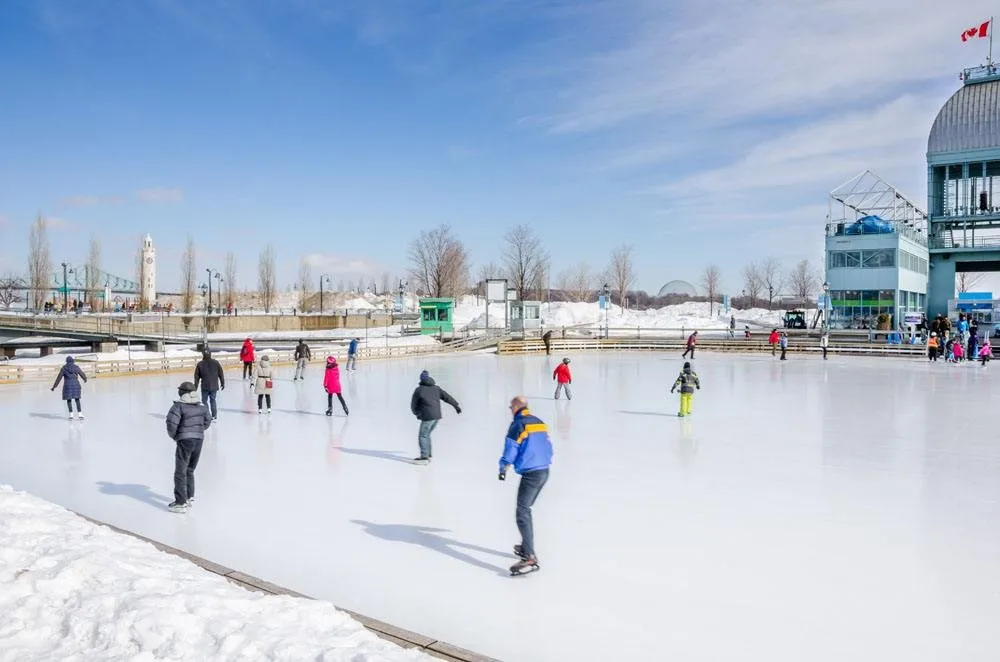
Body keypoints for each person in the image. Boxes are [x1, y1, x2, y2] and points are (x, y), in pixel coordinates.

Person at [499, 396, 553, 576]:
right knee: (526, 509)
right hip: (544, 471)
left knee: (522, 511)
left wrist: (503, 466)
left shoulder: (518, 424)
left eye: (510, 407)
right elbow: (548, 446)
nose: (509, 410)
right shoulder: (539, 422)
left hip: (531, 474)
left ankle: (529, 556)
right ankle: (525, 545)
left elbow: (511, 447)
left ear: (516, 407)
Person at [165, 381, 212, 513]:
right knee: (190, 469)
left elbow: (171, 424)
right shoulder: (202, 407)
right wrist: (198, 430)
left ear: (182, 393)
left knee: (180, 471)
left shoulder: (178, 407)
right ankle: (189, 496)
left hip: (184, 440)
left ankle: (181, 502)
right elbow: (207, 421)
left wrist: (176, 436)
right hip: (198, 439)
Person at [409, 370, 461, 464]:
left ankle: (424, 457)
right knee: (427, 434)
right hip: (437, 417)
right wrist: (456, 406)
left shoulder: (419, 390)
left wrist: (417, 414)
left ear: (421, 379)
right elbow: (447, 397)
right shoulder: (436, 388)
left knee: (423, 435)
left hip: (428, 417)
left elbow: (413, 405)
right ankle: (428, 454)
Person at [51, 356, 88, 420]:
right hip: (76, 385)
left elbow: (59, 378)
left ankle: (71, 415)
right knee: (77, 399)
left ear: (67, 361)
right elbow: (82, 374)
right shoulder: (76, 367)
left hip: (67, 386)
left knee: (69, 400)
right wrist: (85, 379)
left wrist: (54, 386)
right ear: (73, 361)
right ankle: (80, 414)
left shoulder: (64, 368)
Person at [193, 350, 225, 421]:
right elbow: (221, 373)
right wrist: (222, 383)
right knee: (213, 400)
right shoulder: (216, 362)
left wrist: (195, 387)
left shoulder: (200, 364)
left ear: (203, 355)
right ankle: (214, 415)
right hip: (214, 386)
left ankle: (207, 415)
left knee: (204, 401)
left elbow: (196, 377)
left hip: (205, 386)